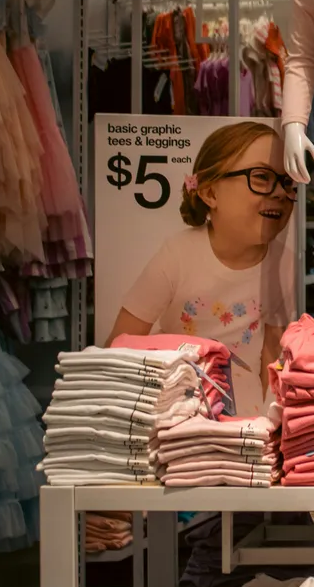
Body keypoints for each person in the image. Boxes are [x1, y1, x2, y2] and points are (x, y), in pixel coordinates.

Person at [107, 122, 296, 417]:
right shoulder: (177, 255)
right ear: (210, 193)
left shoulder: (283, 262)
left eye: (287, 182)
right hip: (175, 409)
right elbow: (119, 347)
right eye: (261, 177)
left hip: (244, 417)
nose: (280, 193)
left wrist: (269, 424)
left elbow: (272, 355)